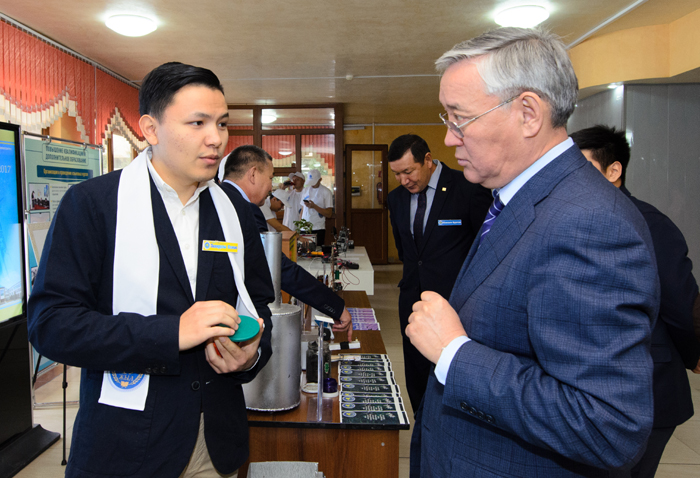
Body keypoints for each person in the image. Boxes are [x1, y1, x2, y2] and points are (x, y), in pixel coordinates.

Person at [406, 28, 660, 477]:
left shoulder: (589, 223)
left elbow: (608, 426)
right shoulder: (517, 200)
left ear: (528, 114)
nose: (448, 139)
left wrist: (454, 354)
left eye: (459, 119)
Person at [27, 62, 274, 477]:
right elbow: (51, 324)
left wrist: (252, 353)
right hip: (126, 444)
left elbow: (260, 304)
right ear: (150, 129)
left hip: (214, 442)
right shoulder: (93, 205)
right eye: (197, 123)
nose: (216, 139)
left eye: (222, 124)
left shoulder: (233, 209)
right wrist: (171, 333)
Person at [571, 124, 700, 478]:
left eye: (582, 167)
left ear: (614, 170)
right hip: (593, 390)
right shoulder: (579, 215)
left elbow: (681, 302)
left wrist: (694, 354)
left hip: (648, 386)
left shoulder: (647, 222)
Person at [386, 133, 491, 412]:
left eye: (408, 171)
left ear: (428, 160)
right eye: (396, 174)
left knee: (451, 374)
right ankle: (422, 425)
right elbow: (406, 251)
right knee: (417, 375)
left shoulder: (467, 188)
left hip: (456, 304)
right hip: (412, 301)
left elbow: (487, 249)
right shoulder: (396, 199)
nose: (403, 180)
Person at [220, 145, 352, 340]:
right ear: (253, 174)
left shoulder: (216, 199)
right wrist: (335, 305)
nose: (271, 188)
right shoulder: (244, 210)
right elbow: (277, 266)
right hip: (234, 320)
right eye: (270, 178)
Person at [301, 169, 333, 244]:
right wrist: (300, 225)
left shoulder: (326, 192)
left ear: (320, 179)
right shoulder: (305, 190)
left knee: (317, 249)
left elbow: (329, 214)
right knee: (303, 250)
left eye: (314, 182)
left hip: (318, 228)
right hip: (304, 228)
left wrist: (314, 206)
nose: (312, 184)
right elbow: (302, 210)